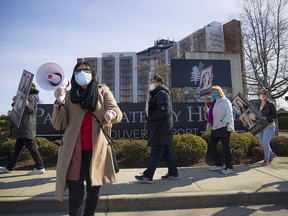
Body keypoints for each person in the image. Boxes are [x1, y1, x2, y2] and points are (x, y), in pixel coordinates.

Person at [52, 62, 122, 216]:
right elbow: (59, 124)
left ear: (92, 73)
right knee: (75, 195)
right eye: (78, 70)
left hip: (96, 151)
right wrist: (59, 102)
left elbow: (116, 111)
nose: (82, 73)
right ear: (73, 75)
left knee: (93, 193)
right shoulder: (69, 95)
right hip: (73, 152)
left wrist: (111, 113)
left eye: (86, 70)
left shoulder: (102, 90)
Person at [135, 74, 178, 183]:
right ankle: (173, 173)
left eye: (153, 82)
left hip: (161, 129)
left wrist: (150, 115)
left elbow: (164, 110)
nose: (151, 84)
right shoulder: (157, 93)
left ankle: (148, 175)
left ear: (159, 82)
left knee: (155, 153)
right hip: (161, 128)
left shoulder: (162, 93)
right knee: (166, 153)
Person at [0, 83, 45, 175]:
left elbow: (30, 110)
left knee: (31, 147)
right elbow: (18, 108)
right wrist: (16, 101)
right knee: (18, 148)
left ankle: (40, 166)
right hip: (23, 127)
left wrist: (27, 105)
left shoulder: (31, 97)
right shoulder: (28, 96)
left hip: (26, 126)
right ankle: (9, 167)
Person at [207, 85, 235, 174]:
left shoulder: (225, 101)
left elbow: (229, 115)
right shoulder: (215, 102)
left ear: (219, 92)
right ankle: (218, 164)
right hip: (216, 127)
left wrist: (222, 122)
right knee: (211, 146)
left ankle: (229, 167)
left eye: (214, 92)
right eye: (211, 92)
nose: (212, 94)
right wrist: (208, 111)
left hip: (224, 128)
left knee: (226, 148)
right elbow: (215, 114)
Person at [255, 88, 277, 166]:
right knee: (261, 142)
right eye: (261, 93)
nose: (262, 95)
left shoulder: (270, 104)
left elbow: (275, 115)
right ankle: (272, 154)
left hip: (269, 126)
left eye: (264, 94)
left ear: (267, 95)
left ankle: (266, 159)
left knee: (265, 142)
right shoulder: (257, 104)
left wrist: (266, 117)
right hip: (260, 126)